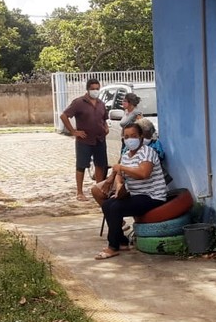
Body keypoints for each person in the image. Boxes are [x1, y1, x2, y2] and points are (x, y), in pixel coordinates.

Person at [94, 122, 168, 260]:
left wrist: (121, 168)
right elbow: (119, 176)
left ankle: (112, 247)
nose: (130, 139)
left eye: (133, 136)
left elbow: (143, 173)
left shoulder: (147, 152)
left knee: (116, 208)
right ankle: (122, 241)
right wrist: (119, 186)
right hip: (134, 195)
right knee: (107, 205)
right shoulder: (126, 155)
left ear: (140, 136)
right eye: (126, 136)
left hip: (152, 196)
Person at [60, 78, 109, 201]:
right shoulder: (78, 103)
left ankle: (99, 189)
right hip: (85, 140)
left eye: (97, 89)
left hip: (100, 139)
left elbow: (104, 119)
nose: (95, 91)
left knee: (100, 165)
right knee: (81, 165)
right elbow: (64, 115)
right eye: (92, 89)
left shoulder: (101, 104)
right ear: (87, 89)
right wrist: (73, 131)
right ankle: (79, 192)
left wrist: (106, 127)